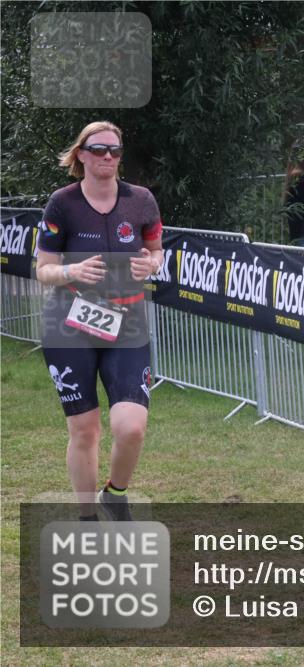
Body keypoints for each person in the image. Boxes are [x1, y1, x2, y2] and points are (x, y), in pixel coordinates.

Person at [34, 121, 164, 522]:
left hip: (126, 323)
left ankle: (115, 493)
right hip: (68, 325)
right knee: (86, 429)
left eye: (115, 150)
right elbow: (43, 269)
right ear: (81, 155)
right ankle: (87, 517)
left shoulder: (141, 200)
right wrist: (71, 272)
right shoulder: (62, 202)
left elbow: (155, 251)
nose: (108, 156)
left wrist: (151, 265)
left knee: (131, 427)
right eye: (99, 149)